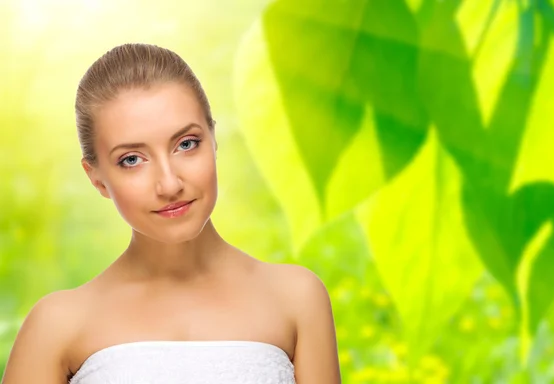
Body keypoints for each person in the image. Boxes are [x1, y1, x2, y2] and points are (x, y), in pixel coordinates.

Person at [1, 43, 341, 384]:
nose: (169, 184)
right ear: (98, 179)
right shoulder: (56, 325)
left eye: (186, 144)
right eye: (131, 159)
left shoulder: (296, 298)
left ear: (213, 139)